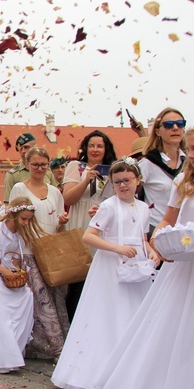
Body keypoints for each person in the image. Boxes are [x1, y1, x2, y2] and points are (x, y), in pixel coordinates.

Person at [97, 120, 194, 389]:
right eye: (187, 149)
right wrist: (161, 241)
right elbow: (167, 220)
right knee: (179, 331)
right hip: (185, 266)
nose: (189, 155)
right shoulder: (186, 181)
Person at [52, 158, 156, 389]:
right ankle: (98, 371)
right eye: (117, 182)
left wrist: (150, 250)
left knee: (132, 314)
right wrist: (116, 248)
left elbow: (141, 237)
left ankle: (128, 372)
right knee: (110, 314)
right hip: (111, 266)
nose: (123, 186)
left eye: (127, 181)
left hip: (135, 266)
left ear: (138, 181)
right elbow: (89, 236)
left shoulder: (142, 208)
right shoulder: (109, 206)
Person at [10, 148, 70, 360]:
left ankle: (55, 343)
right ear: (27, 164)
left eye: (44, 164)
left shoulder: (54, 191)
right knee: (39, 301)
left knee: (55, 299)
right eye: (35, 164)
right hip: (29, 250)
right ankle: (52, 346)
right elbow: (15, 219)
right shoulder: (19, 188)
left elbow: (59, 223)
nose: (40, 168)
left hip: (50, 251)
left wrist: (62, 223)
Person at [0, 197, 39, 374]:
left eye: (28, 219)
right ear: (12, 215)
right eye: (23, 219)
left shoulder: (21, 236)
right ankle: (1, 358)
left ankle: (13, 351)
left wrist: (18, 273)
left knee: (27, 296)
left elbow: (15, 259)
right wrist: (3, 271)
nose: (26, 223)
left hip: (7, 275)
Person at [61, 130, 117, 320]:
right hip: (81, 222)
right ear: (85, 148)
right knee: (79, 277)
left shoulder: (112, 169)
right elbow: (68, 198)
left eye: (100, 146)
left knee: (102, 273)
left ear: (106, 149)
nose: (95, 149)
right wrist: (86, 180)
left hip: (103, 223)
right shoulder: (76, 166)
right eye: (91, 145)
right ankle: (75, 320)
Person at [138, 107, 186, 236]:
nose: (175, 128)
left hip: (185, 229)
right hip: (156, 229)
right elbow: (128, 191)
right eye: (168, 125)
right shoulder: (148, 163)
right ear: (158, 131)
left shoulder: (190, 163)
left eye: (180, 124)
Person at [4, 133, 56, 204]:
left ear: (35, 147)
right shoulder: (13, 175)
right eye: (20, 149)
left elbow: (55, 197)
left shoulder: (47, 172)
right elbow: (8, 204)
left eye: (26, 147)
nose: (23, 151)